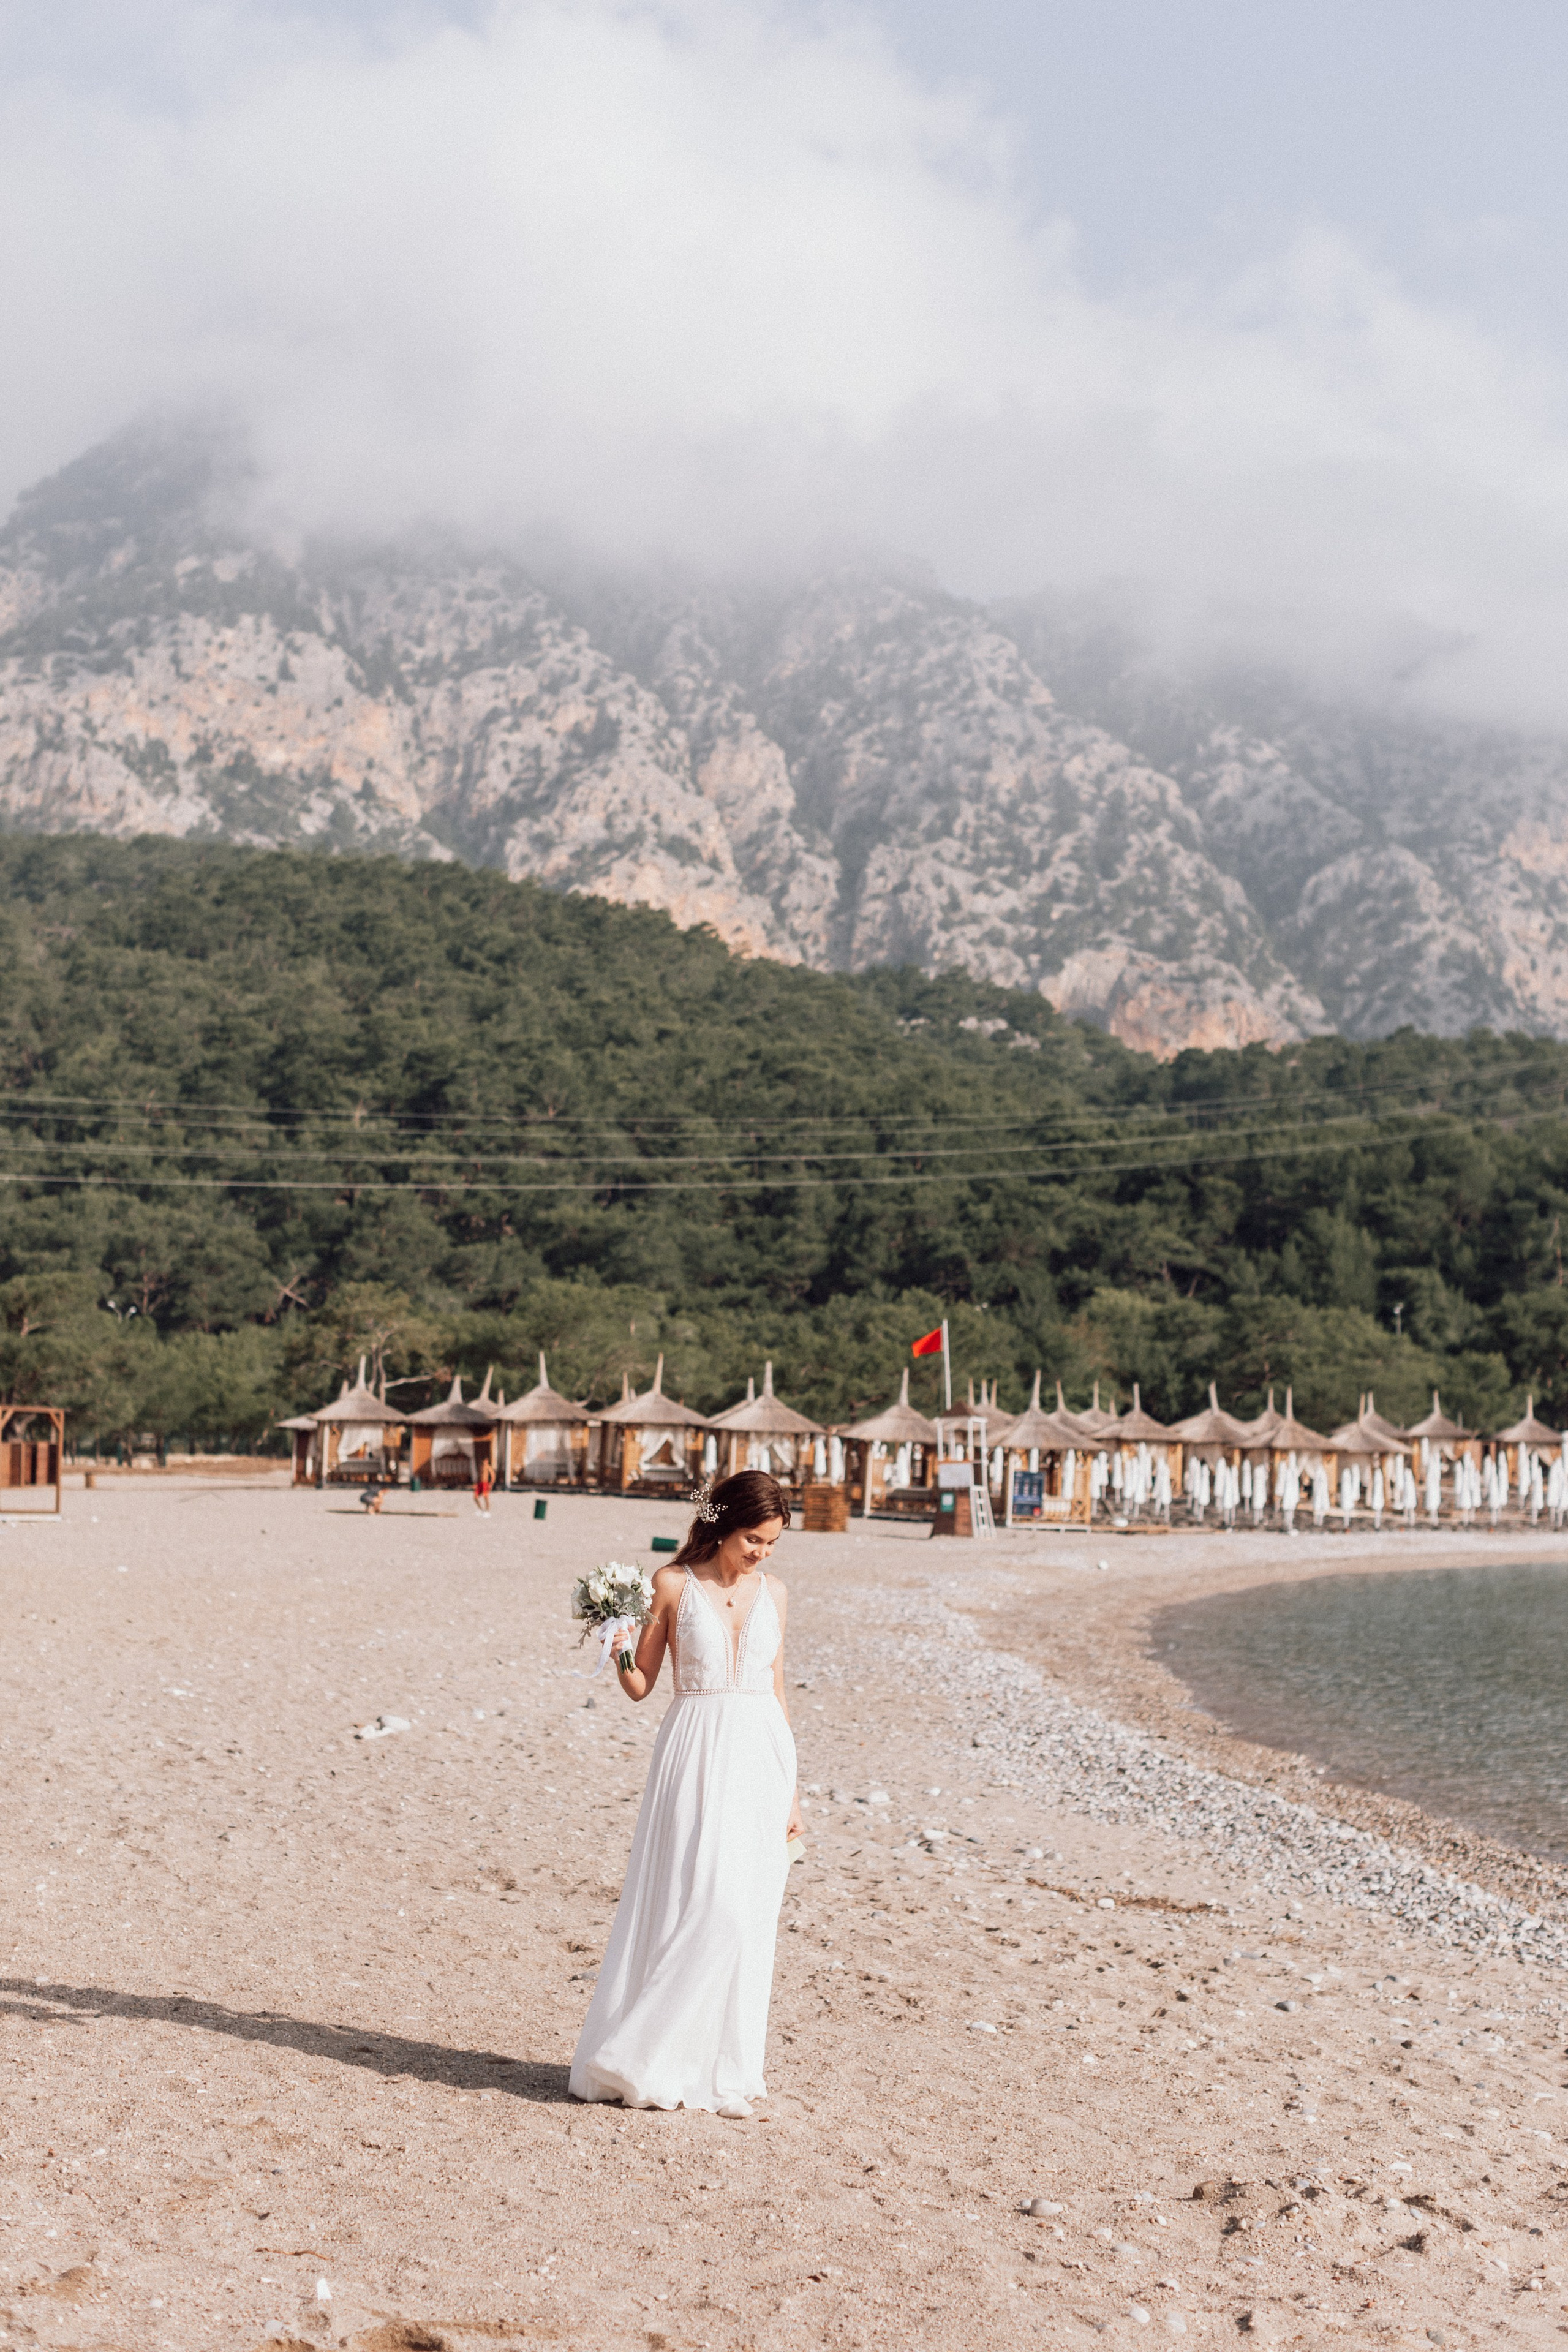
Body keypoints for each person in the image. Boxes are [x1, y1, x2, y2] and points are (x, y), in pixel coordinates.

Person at [568, 1470, 802, 2118]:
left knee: (746, 1913)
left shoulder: (776, 1593)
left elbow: (778, 1692)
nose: (762, 1552)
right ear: (722, 1526)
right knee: (702, 1901)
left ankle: (709, 2067)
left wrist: (793, 1795)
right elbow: (642, 1683)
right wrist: (616, 1645)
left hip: (762, 1754)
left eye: (773, 1542)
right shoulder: (671, 1585)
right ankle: (640, 2053)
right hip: (695, 1747)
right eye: (754, 1538)